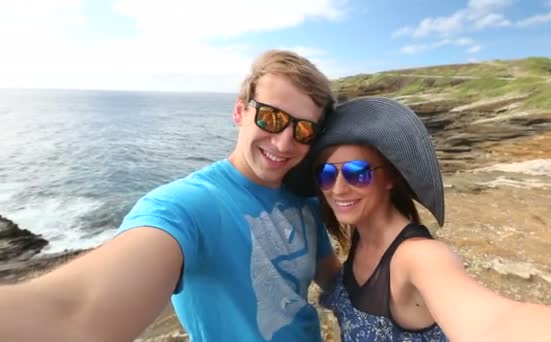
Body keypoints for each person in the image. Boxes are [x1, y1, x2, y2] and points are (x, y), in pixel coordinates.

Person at [0, 50, 342, 341]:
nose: (284, 142)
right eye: (271, 118)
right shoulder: (189, 204)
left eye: (304, 129)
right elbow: (77, 311)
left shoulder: (304, 199)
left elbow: (330, 276)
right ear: (240, 112)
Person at [285, 96, 551, 341]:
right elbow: (341, 285)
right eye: (326, 174)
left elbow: (495, 322)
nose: (339, 187)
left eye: (358, 172)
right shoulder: (363, 236)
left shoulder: (419, 256)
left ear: (389, 178)